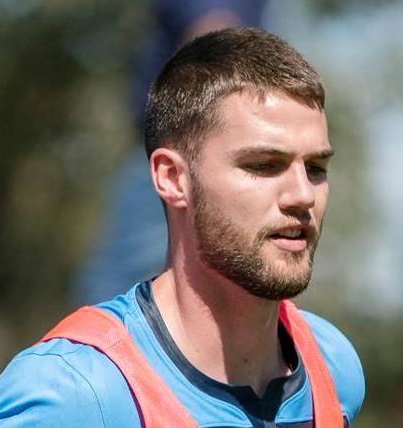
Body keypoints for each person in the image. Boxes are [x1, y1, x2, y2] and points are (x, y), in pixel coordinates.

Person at [0, 28, 365, 427]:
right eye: (263, 165)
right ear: (172, 178)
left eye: (316, 168)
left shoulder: (332, 366)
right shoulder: (74, 393)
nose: (303, 195)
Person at [75, 0, 269, 304]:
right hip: (188, 145)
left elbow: (213, 35)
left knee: (122, 276)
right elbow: (213, 34)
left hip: (190, 144)